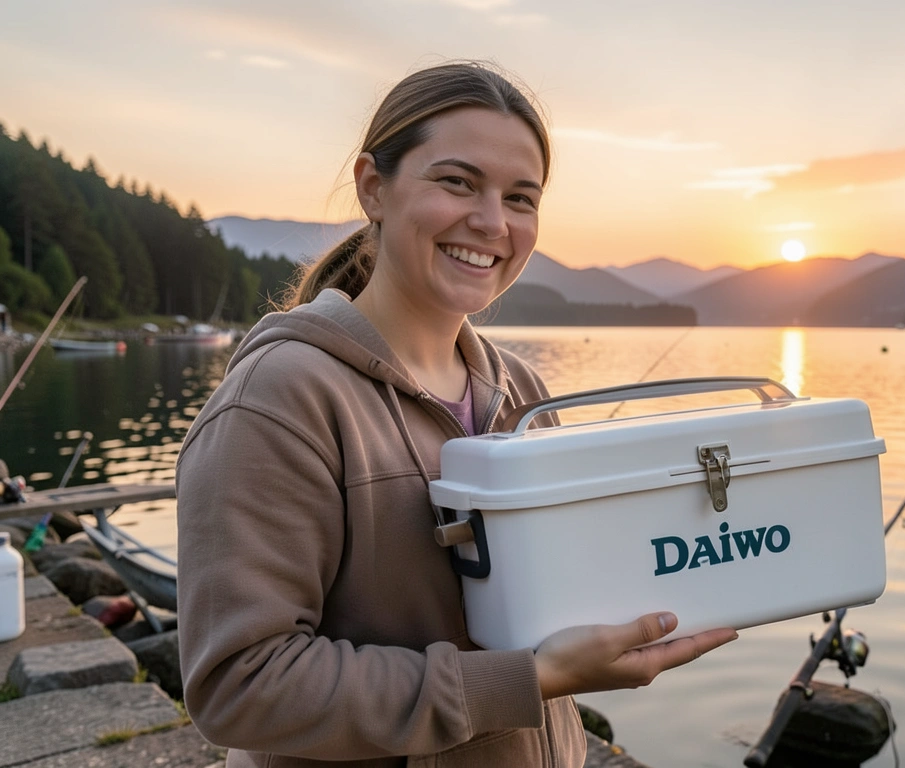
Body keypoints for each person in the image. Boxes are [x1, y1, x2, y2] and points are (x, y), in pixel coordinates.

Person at [175, 61, 737, 768]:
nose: (493, 222)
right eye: (458, 182)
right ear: (373, 187)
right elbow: (240, 687)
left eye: (520, 198)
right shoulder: (280, 398)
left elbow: (558, 607)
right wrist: (529, 680)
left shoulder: (524, 392)